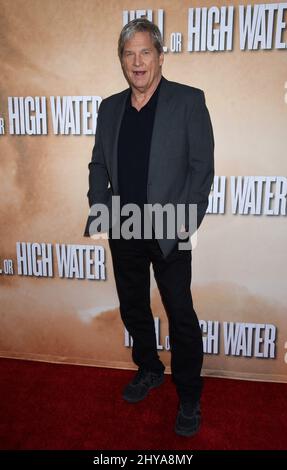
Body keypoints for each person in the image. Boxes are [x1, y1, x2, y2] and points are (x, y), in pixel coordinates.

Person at [84, 18, 214, 437]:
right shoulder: (109, 108)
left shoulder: (189, 101)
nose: (137, 62)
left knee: (180, 314)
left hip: (168, 229)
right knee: (134, 307)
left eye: (145, 52)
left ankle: (190, 394)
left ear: (160, 56)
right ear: (121, 61)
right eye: (128, 54)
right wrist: (101, 211)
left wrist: (184, 225)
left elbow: (201, 170)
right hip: (123, 227)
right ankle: (150, 368)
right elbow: (98, 165)